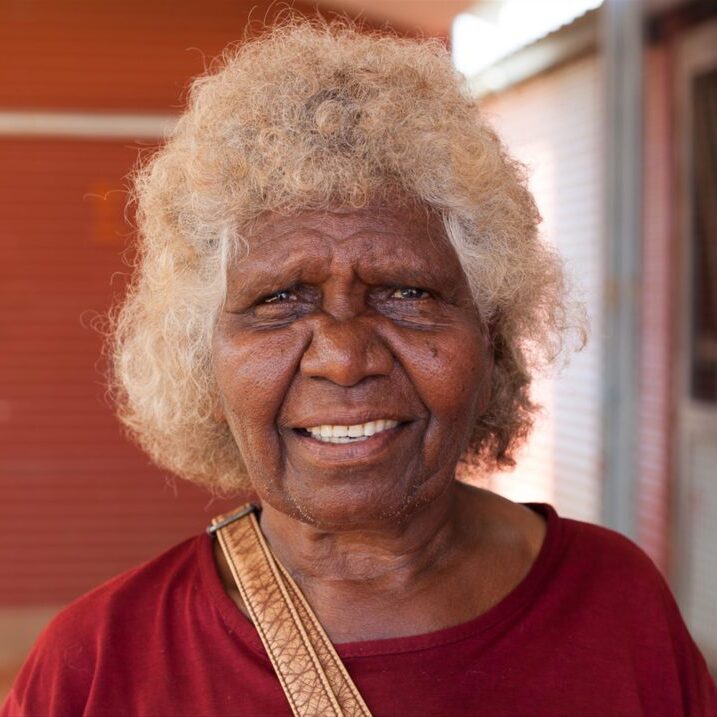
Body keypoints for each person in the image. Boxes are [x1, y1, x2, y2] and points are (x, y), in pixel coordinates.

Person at [3, 20, 716, 717]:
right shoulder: (97, 664)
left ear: (488, 335)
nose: (344, 359)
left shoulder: (617, 604)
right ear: (203, 356)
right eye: (279, 299)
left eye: (408, 293)